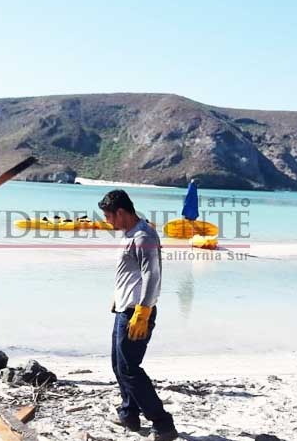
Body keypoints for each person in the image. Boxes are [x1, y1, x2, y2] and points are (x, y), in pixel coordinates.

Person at [98, 189, 178, 441]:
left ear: (121, 212)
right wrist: (118, 297)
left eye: (109, 216)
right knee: (118, 366)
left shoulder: (144, 236)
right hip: (124, 308)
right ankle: (129, 413)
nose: (107, 221)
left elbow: (152, 276)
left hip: (137, 313)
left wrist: (143, 311)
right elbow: (130, 271)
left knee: (130, 369)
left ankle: (163, 424)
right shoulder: (130, 232)